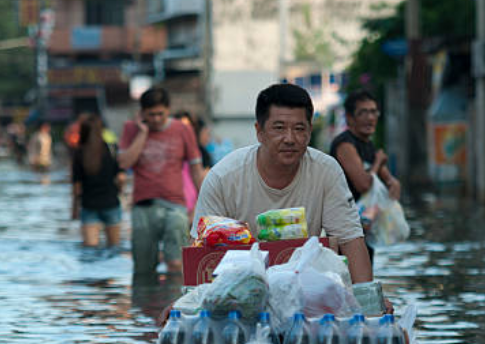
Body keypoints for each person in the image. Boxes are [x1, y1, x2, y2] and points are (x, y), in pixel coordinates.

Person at [191, 83, 374, 285]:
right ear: (259, 131)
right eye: (279, 128)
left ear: (309, 131)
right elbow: (200, 256)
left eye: (299, 129)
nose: (289, 139)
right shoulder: (223, 178)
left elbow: (350, 240)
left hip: (303, 287)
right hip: (238, 290)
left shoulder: (326, 171)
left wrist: (367, 295)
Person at [117, 87, 205, 275]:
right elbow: (124, 163)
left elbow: (196, 169)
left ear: (168, 110)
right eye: (151, 115)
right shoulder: (131, 128)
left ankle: (175, 293)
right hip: (143, 206)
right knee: (143, 268)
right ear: (142, 113)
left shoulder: (183, 129)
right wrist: (142, 133)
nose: (156, 119)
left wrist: (202, 205)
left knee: (176, 263)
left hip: (175, 207)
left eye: (160, 114)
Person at [330, 89, 402, 261]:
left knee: (366, 272)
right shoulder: (345, 145)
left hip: (364, 228)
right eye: (363, 112)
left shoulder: (368, 146)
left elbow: (392, 186)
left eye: (373, 112)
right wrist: (377, 164)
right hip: (344, 231)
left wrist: (391, 182)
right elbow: (363, 184)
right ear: (349, 118)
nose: (370, 118)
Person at [71, 114, 124, 248]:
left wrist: (74, 208)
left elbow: (77, 187)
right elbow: (121, 177)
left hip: (89, 205)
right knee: (114, 247)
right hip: (111, 203)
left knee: (90, 249)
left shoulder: (79, 153)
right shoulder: (111, 149)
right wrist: (119, 191)